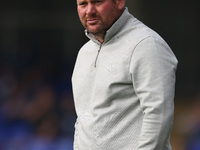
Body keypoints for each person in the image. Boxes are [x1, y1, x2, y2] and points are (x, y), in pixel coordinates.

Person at [71, 0, 178, 149]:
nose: (89, 10)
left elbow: (158, 116)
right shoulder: (84, 53)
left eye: (97, 2)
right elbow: (82, 119)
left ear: (120, 2)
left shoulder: (147, 44)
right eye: (83, 4)